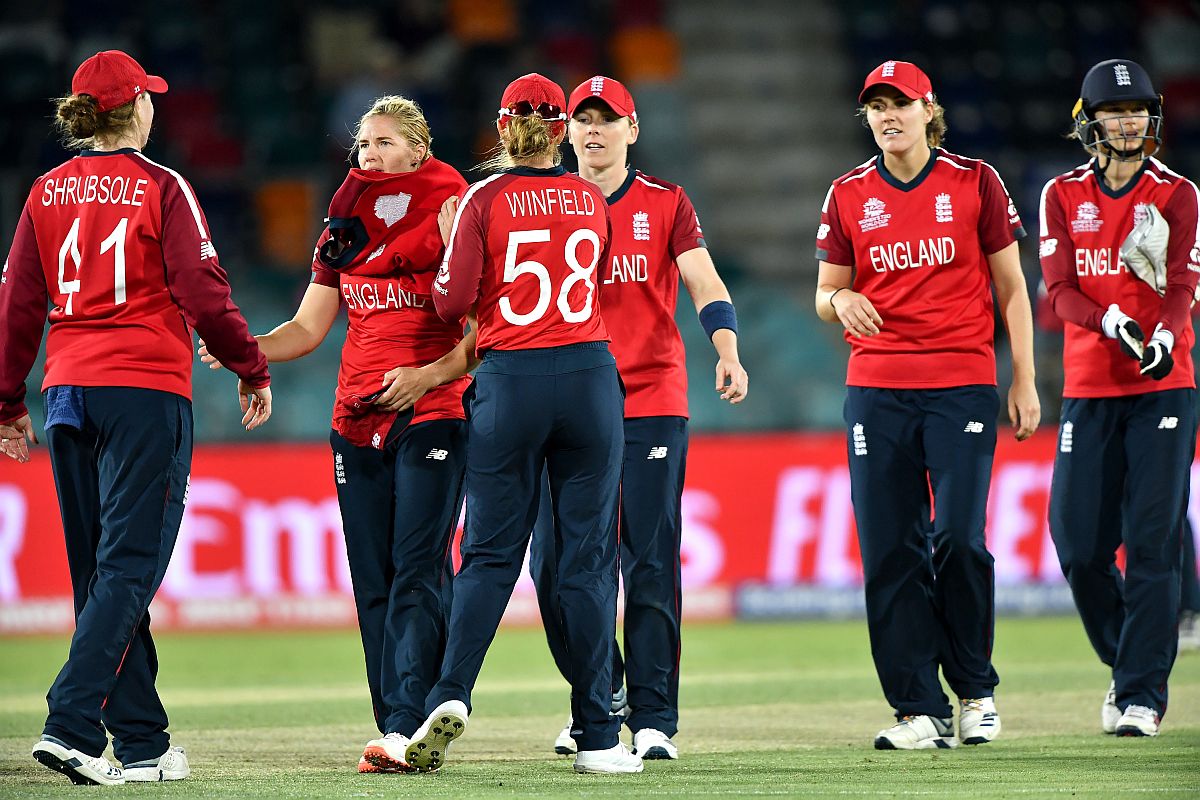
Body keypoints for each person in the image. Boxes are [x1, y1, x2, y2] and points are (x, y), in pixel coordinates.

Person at [0, 50, 272, 786]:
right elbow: (203, 291)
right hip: (144, 393)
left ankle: (144, 743)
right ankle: (71, 724)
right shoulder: (163, 186)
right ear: (135, 110)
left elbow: (19, 305)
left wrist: (5, 402)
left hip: (66, 396)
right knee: (130, 567)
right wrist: (250, 363)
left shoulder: (46, 190)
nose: (156, 105)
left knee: (101, 575)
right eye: (149, 97)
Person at [200, 96, 471, 772]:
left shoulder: (455, 208)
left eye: (383, 142)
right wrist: (249, 352)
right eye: (363, 144)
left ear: (418, 147)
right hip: (356, 419)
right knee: (374, 578)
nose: (369, 154)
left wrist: (426, 375)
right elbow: (309, 328)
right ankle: (399, 727)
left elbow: (482, 333)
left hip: (434, 409)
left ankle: (410, 719)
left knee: (417, 568)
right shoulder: (347, 222)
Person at [402, 72, 642, 775]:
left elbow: (451, 304)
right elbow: (591, 282)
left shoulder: (483, 197)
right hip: (590, 381)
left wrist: (451, 244)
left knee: (488, 556)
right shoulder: (590, 199)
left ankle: (450, 694)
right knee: (587, 563)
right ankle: (598, 734)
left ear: (503, 128)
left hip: (511, 380)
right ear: (562, 130)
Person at [814, 60, 1039, 750]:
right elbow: (825, 294)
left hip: (961, 384)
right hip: (876, 390)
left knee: (959, 539)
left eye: (900, 104)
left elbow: (1012, 288)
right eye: (876, 107)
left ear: (927, 109)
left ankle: (974, 690)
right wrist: (841, 300)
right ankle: (918, 709)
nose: (888, 116)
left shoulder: (974, 181)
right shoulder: (848, 192)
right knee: (888, 551)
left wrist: (1024, 379)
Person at [529, 75, 748, 761]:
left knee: (647, 562)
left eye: (607, 119)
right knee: (553, 569)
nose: (593, 130)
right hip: (563, 407)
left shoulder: (666, 203)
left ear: (633, 130)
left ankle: (654, 718)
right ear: (565, 132)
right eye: (581, 119)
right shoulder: (539, 204)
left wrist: (728, 350)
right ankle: (600, 699)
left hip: (649, 400)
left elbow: (705, 281)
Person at [1039, 58, 1199, 737]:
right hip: (1089, 385)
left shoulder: (1177, 194)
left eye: (1137, 111)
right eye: (1115, 112)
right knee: (1077, 544)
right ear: (1091, 120)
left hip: (1164, 385)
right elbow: (1060, 289)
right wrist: (1109, 321)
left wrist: (1162, 334)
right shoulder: (1061, 194)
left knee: (1154, 543)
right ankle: (1130, 661)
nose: (1129, 122)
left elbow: (1182, 288)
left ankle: (1141, 695)